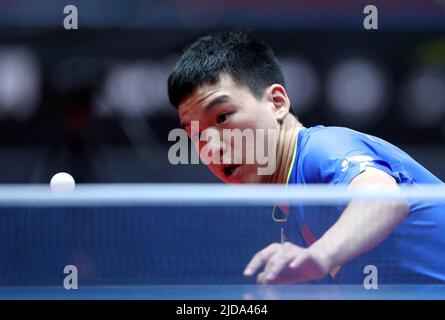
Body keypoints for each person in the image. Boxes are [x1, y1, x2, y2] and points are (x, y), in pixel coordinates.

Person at [167, 30, 445, 284]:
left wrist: (320, 256)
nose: (211, 146)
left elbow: (385, 200)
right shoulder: (294, 219)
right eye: (196, 135)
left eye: (223, 117)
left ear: (277, 103)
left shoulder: (322, 148)